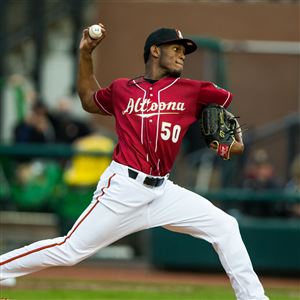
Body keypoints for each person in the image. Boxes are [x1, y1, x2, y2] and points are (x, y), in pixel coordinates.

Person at [0, 24, 269, 299]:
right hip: (123, 188)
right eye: (175, 49)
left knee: (224, 226)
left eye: (183, 51)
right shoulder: (123, 89)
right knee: (69, 250)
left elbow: (225, 113)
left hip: (163, 191)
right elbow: (88, 100)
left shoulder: (194, 90)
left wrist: (234, 143)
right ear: (155, 50)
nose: (181, 55)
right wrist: (85, 55)